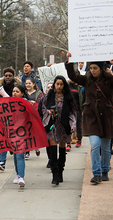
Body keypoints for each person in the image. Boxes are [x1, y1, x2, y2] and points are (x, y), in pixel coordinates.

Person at [66, 52, 113, 184]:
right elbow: (73, 76)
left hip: (107, 117)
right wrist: (70, 62)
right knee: (95, 145)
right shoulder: (87, 79)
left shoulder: (109, 79)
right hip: (91, 117)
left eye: (95, 68)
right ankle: (96, 173)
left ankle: (105, 170)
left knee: (105, 147)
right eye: (90, 68)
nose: (92, 71)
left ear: (101, 69)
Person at [42, 75, 76, 185]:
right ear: (54, 84)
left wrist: (72, 125)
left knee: (62, 149)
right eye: (57, 84)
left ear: (64, 85)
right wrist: (48, 112)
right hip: (52, 124)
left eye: (61, 84)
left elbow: (72, 112)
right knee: (52, 149)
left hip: (63, 125)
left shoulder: (68, 97)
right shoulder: (49, 95)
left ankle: (61, 171)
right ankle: (54, 174)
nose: (59, 86)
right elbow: (43, 107)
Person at [0, 67, 21, 170]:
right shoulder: (0, 86)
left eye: (10, 75)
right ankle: (2, 161)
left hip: (15, 116)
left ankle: (17, 159)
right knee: (3, 137)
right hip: (3, 115)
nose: (8, 77)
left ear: (13, 76)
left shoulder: (18, 86)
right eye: (6, 76)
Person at [24, 76, 44, 160]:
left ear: (34, 84)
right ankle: (27, 152)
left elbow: (41, 104)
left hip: (35, 116)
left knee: (34, 133)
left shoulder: (39, 93)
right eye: (26, 83)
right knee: (26, 134)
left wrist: (35, 103)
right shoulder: (23, 93)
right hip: (25, 116)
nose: (28, 85)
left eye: (29, 83)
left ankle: (37, 146)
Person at [11, 85, 27, 187]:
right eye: (13, 91)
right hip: (12, 132)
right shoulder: (8, 103)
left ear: (22, 93)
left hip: (22, 132)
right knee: (16, 154)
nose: (14, 93)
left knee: (20, 154)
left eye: (17, 91)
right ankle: (18, 174)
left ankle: (21, 176)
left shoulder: (26, 103)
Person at [38, 83, 53, 168]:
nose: (50, 89)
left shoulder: (57, 98)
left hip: (55, 123)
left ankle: (54, 159)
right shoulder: (42, 99)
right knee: (48, 143)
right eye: (48, 87)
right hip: (46, 124)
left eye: (51, 87)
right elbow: (40, 111)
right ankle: (50, 159)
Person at [66, 79, 83, 152]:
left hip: (77, 109)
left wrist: (82, 109)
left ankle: (79, 139)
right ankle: (68, 143)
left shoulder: (80, 87)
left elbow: (82, 98)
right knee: (68, 126)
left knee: (78, 125)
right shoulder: (67, 86)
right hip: (68, 109)